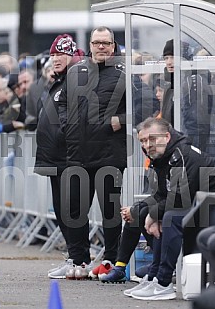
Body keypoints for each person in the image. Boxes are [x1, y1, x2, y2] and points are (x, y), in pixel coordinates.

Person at [101, 117, 215, 300]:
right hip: (195, 204)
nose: (147, 145)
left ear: (167, 136)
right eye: (143, 141)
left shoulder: (182, 155)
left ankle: (163, 283)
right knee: (143, 212)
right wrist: (142, 210)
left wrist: (153, 216)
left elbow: (179, 197)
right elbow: (161, 194)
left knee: (169, 217)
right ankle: (153, 274)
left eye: (152, 139)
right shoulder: (161, 157)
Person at [55, 26, 126, 279]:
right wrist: (67, 125)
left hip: (109, 154)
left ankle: (111, 260)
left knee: (109, 210)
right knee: (74, 209)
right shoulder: (76, 71)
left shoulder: (124, 74)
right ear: (91, 45)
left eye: (106, 43)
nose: (101, 47)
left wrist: (122, 119)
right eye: (97, 43)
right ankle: (80, 260)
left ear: (114, 46)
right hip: (77, 154)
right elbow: (61, 103)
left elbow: (144, 105)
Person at [34, 34, 85, 278]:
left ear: (72, 56)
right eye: (53, 54)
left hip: (69, 157)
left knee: (72, 210)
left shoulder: (76, 80)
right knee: (60, 209)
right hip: (54, 158)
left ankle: (80, 260)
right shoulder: (58, 81)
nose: (55, 59)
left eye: (61, 54)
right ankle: (74, 257)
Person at [162, 39, 213, 152]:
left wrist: (192, 148)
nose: (169, 62)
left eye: (173, 57)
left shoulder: (193, 82)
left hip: (187, 145)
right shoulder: (171, 83)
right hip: (173, 143)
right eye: (166, 58)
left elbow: (197, 121)